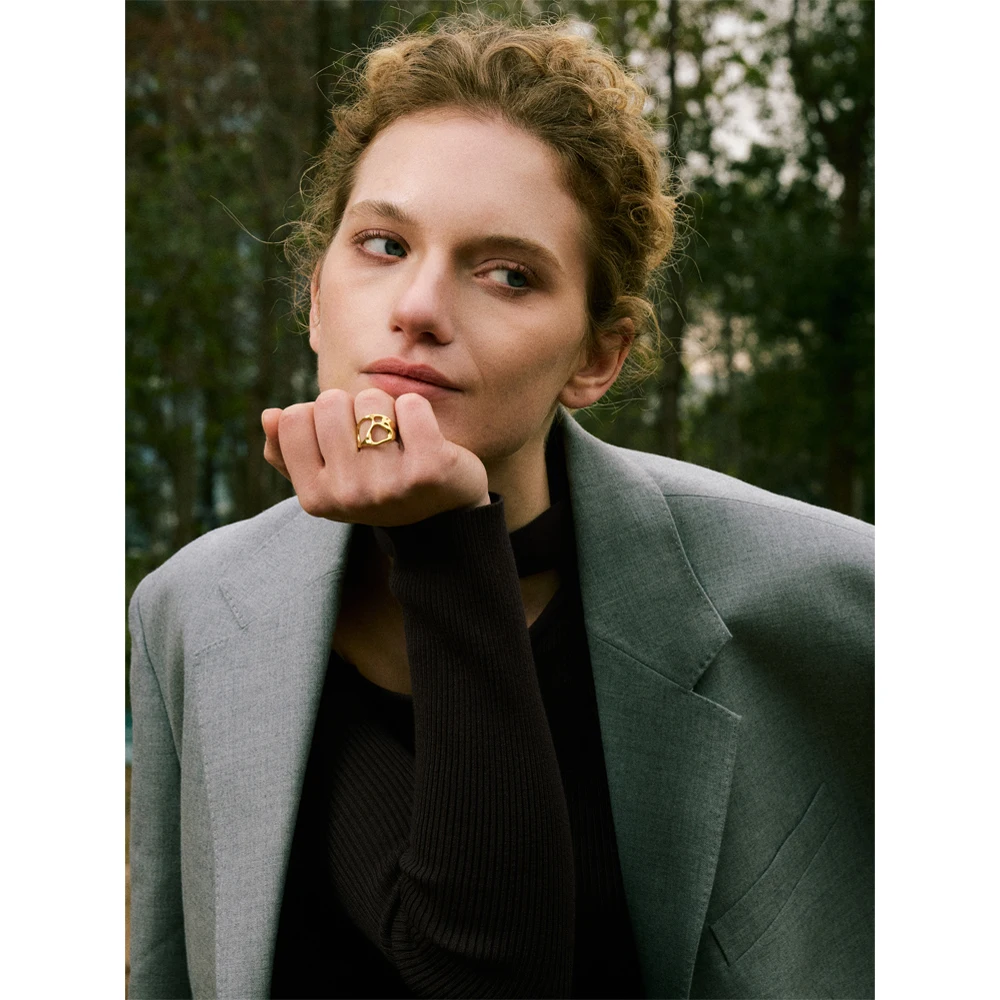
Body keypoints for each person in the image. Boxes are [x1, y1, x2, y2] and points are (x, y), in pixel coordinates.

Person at [127, 16, 873, 1000]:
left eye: (508, 274)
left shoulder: (832, 595)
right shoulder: (192, 608)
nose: (417, 306)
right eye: (383, 244)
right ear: (313, 297)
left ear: (597, 357)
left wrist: (444, 537)